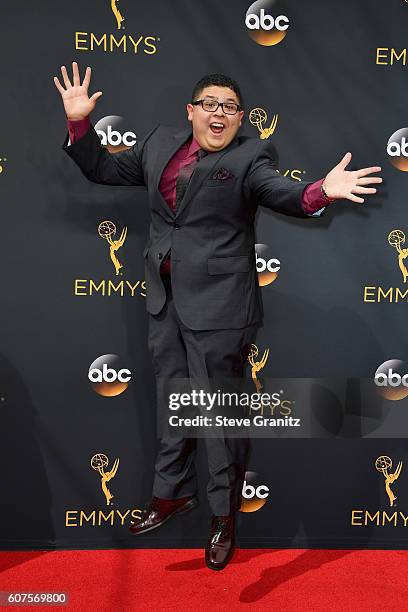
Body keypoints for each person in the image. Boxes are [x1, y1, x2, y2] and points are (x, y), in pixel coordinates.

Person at [54, 62, 382, 570]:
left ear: (239, 118)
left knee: (218, 417)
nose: (218, 114)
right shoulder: (158, 143)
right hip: (164, 299)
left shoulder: (252, 156)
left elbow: (284, 193)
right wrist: (79, 125)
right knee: (174, 399)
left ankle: (223, 518)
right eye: (209, 104)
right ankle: (171, 494)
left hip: (223, 308)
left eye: (228, 108)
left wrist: (321, 192)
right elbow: (102, 169)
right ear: (191, 112)